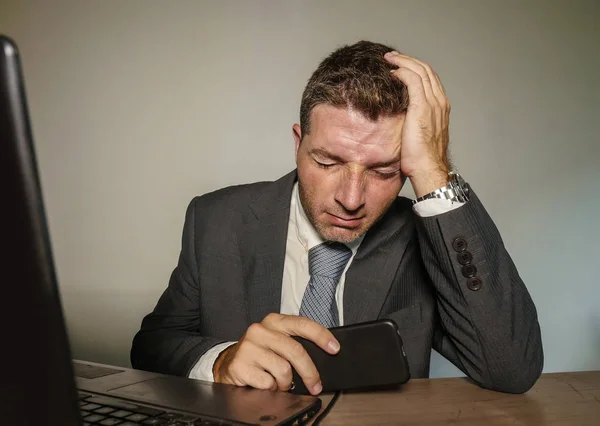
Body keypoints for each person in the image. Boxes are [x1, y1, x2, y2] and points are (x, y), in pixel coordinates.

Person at [131, 40, 543, 395]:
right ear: (298, 142)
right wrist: (220, 361)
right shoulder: (216, 218)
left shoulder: (424, 237)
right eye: (328, 161)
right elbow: (154, 344)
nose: (350, 199)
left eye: (384, 172)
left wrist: (434, 171)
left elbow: (511, 369)